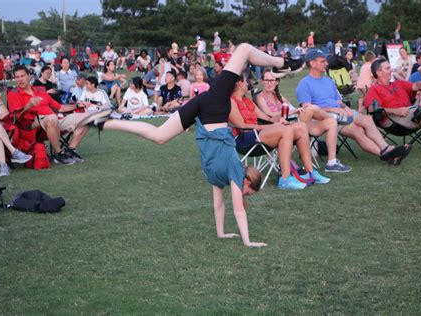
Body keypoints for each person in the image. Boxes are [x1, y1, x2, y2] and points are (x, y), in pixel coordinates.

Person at [77, 43, 307, 247]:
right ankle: (283, 63)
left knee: (159, 136)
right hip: (214, 106)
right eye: (248, 190)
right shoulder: (235, 172)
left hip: (204, 107)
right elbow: (238, 209)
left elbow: (219, 205)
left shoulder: (219, 177)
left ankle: (106, 122)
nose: (245, 194)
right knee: (244, 49)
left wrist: (222, 233)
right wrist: (248, 241)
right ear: (247, 180)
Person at [296, 48, 411, 164]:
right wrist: (332, 109)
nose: (326, 63)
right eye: (322, 61)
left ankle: (386, 148)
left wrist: (345, 108)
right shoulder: (304, 84)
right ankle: (386, 154)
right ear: (312, 63)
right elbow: (308, 110)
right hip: (326, 117)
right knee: (357, 131)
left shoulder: (328, 81)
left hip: (341, 112)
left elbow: (339, 101)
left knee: (367, 119)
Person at [229, 73, 332, 189]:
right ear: (240, 83)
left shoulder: (247, 101)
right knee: (285, 130)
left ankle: (310, 171)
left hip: (259, 134)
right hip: (245, 139)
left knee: (301, 127)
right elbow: (242, 125)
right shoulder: (231, 102)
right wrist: (272, 127)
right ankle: (285, 179)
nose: (248, 83)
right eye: (246, 81)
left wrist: (282, 119)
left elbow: (268, 118)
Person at [256, 70, 351, 173]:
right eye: (266, 80)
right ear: (262, 81)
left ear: (277, 82)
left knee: (331, 122)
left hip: (297, 122)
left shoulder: (278, 95)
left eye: (272, 80)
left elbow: (291, 109)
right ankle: (333, 114)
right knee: (311, 108)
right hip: (285, 127)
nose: (269, 83)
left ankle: (332, 162)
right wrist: (292, 112)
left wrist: (294, 111)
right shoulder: (260, 97)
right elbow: (270, 114)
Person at [7, 65, 101, 164]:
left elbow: (60, 107)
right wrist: (29, 105)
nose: (20, 79)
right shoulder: (13, 94)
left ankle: (70, 149)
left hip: (54, 119)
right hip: (34, 124)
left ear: (29, 76)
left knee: (87, 117)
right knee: (52, 118)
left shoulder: (40, 91)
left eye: (22, 76)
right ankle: (58, 153)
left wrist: (77, 105)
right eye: (17, 77)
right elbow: (16, 117)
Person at [365, 59, 421, 158]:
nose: (391, 70)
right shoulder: (374, 89)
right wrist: (394, 110)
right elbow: (372, 109)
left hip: (411, 113)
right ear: (379, 72)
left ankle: (420, 111)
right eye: (388, 68)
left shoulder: (398, 83)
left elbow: (415, 85)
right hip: (394, 120)